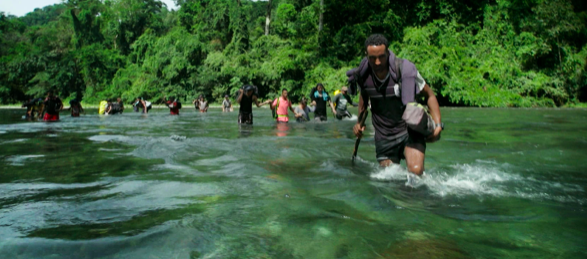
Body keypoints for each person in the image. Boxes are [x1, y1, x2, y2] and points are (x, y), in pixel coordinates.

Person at [351, 34, 442, 177]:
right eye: (372, 58)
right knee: (391, 180)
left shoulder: (404, 70)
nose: (378, 62)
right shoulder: (363, 75)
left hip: (409, 131)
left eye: (381, 56)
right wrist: (358, 123)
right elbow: (364, 96)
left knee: (416, 173)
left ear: (388, 52)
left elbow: (429, 95)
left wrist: (438, 125)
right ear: (366, 55)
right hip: (383, 135)